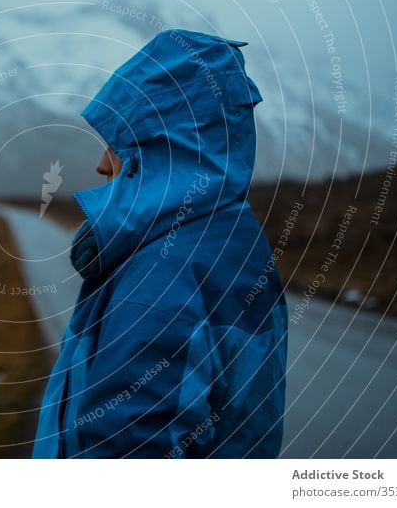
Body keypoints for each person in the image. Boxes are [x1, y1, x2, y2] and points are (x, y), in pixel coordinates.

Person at [32, 29, 288, 458]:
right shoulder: (235, 242)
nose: (100, 164)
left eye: (117, 143)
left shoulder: (165, 274)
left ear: (163, 147)